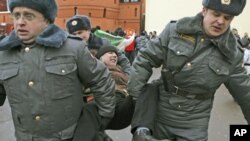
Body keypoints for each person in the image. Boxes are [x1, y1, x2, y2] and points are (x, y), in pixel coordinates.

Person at [128, 0, 250, 141]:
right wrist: (137, 100)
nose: (220, 21)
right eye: (216, 14)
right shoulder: (175, 30)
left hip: (194, 125)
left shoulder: (232, 54)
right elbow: (146, 59)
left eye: (227, 18)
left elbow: (246, 94)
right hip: (159, 115)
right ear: (204, 10)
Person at [0, 0, 116, 141]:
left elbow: (100, 79)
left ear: (47, 20)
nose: (20, 22)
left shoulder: (73, 48)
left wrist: (102, 117)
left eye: (28, 16)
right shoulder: (3, 55)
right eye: (16, 15)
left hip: (70, 136)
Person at [73, 46, 135, 141]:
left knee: (146, 90)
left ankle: (142, 131)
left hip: (121, 101)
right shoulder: (93, 70)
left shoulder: (123, 71)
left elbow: (125, 62)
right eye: (110, 53)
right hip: (100, 102)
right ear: (100, 58)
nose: (114, 55)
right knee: (89, 110)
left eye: (115, 54)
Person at [66, 15, 131, 75]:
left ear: (88, 30)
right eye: (73, 34)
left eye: (80, 32)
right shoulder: (67, 48)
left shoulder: (103, 43)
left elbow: (123, 60)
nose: (77, 36)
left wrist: (127, 76)